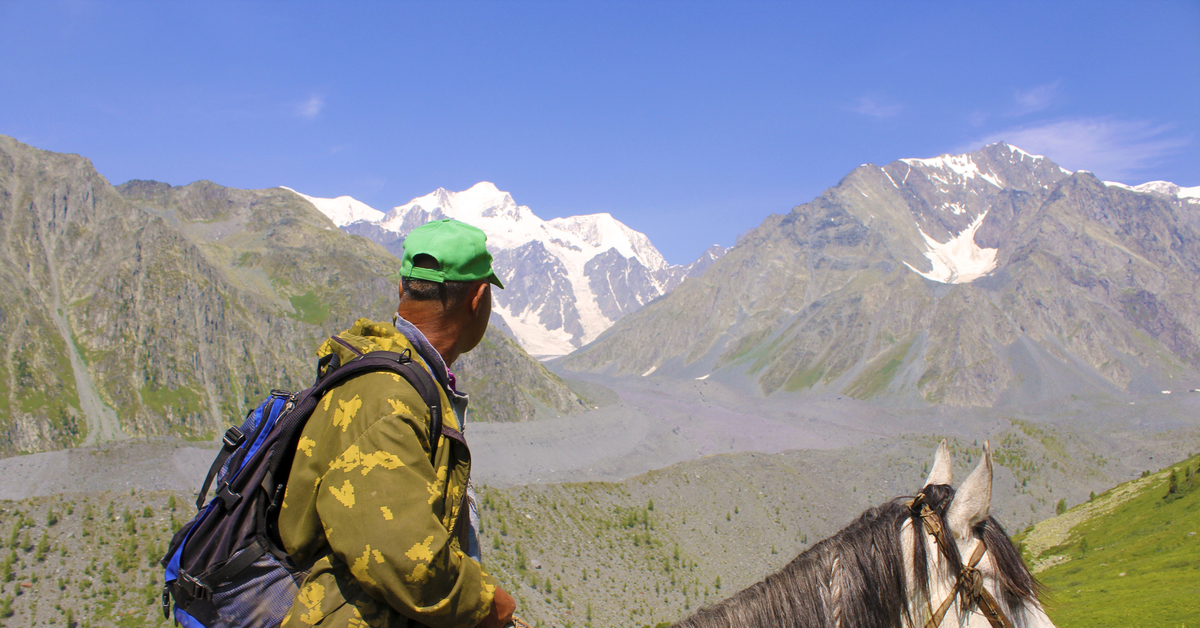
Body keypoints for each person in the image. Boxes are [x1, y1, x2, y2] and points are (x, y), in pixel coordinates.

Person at [277, 218, 517, 628]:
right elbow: (400, 556)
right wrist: (488, 604)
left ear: (401, 290)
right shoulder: (389, 396)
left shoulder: (395, 376)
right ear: (478, 299)